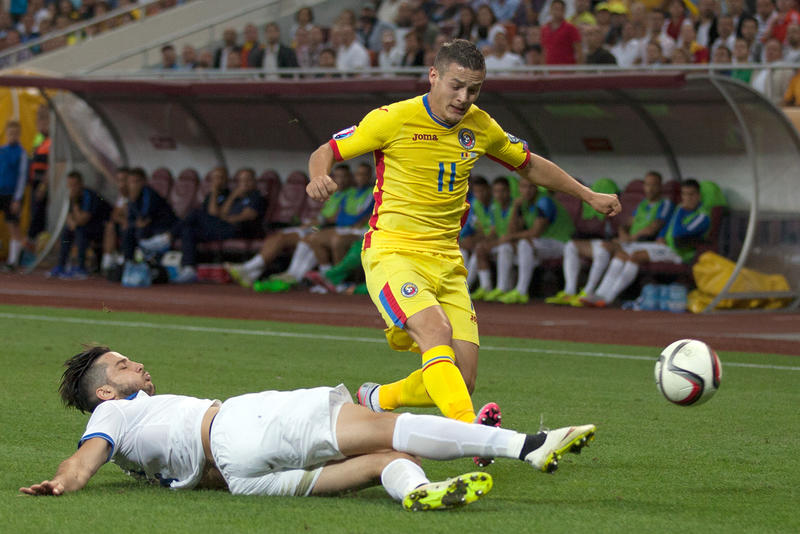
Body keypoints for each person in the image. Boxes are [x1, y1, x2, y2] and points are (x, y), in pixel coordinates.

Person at [305, 39, 619, 465]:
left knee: (462, 377)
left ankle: (379, 399)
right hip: (394, 252)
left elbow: (530, 164)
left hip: (449, 262)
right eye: (456, 86)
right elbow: (326, 151)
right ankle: (473, 435)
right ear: (433, 76)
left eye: (474, 90)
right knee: (434, 335)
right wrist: (319, 177)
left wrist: (587, 195)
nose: (463, 98)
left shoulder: (480, 125)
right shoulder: (392, 119)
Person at [20, 345, 597, 510]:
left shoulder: (134, 440)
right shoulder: (112, 414)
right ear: (104, 391)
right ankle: (530, 446)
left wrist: (70, 477)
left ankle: (419, 492)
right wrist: (65, 481)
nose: (137, 365)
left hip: (240, 480)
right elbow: (86, 456)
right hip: (241, 425)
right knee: (389, 427)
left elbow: (123, 459)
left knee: (383, 465)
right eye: (123, 366)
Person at [547, 171, 673, 306]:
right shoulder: (643, 204)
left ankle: (593, 293)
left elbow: (654, 227)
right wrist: (622, 233)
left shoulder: (665, 204)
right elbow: (627, 224)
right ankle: (574, 292)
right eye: (648, 184)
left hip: (644, 244)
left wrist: (631, 238)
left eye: (654, 185)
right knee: (572, 245)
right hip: (629, 243)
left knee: (607, 248)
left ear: (661, 187)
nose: (650, 188)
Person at [582, 178, 709, 308]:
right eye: (684, 194)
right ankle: (599, 294)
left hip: (679, 254)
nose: (687, 198)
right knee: (621, 253)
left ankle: (608, 298)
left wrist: (681, 211)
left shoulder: (702, 216)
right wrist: (661, 236)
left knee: (636, 256)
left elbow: (677, 234)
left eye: (691, 194)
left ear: (698, 195)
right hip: (664, 248)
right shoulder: (679, 209)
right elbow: (668, 228)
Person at [496, 180, 576, 305]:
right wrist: (515, 208)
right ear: (519, 189)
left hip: (562, 242)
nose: (527, 191)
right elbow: (512, 230)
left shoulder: (544, 201)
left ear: (537, 189)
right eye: (523, 187)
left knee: (524, 244)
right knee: (508, 247)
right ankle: (503, 288)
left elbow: (536, 232)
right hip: (543, 244)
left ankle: (521, 291)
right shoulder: (524, 204)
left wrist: (510, 237)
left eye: (531, 187)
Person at [48, 171, 111, 279]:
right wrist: (72, 223)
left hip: (102, 226)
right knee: (66, 233)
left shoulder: (89, 196)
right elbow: (67, 215)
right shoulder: (70, 196)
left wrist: (75, 205)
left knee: (81, 231)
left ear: (81, 184)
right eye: (70, 185)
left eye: (75, 185)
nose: (72, 188)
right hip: (84, 225)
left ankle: (81, 267)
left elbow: (84, 219)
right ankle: (61, 265)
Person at [121, 168, 176, 263]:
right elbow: (130, 220)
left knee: (138, 231)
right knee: (127, 231)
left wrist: (134, 222)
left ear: (143, 182)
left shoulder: (149, 194)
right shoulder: (131, 197)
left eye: (136, 181)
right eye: (131, 182)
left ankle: (148, 259)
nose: (133, 185)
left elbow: (143, 219)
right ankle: (127, 262)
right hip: (148, 228)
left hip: (162, 227)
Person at [0, 120, 28, 271]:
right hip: (0, 191)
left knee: (13, 225)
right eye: (10, 133)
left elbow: (22, 177)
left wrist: (17, 198)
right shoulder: (2, 150)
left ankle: (12, 261)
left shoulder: (21, 153)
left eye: (16, 134)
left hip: (12, 194)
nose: (13, 136)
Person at [541, 0, 583, 65]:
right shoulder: (544, 29)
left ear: (564, 11)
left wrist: (578, 70)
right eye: (555, 9)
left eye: (559, 9)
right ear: (550, 10)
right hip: (550, 70)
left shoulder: (571, 28)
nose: (557, 12)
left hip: (567, 70)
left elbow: (579, 51)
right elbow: (544, 51)